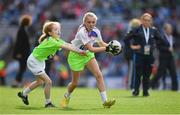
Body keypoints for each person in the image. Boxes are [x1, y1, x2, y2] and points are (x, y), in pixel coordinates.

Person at [17, 21, 86, 108]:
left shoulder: (56, 39)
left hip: (40, 61)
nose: (58, 31)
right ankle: (48, 103)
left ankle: (24, 94)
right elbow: (66, 47)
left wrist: (80, 49)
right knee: (48, 82)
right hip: (34, 61)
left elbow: (68, 44)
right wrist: (80, 52)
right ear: (50, 33)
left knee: (40, 82)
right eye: (56, 29)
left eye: (59, 29)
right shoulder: (52, 41)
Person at [61, 12, 119, 108]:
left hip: (87, 55)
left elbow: (101, 43)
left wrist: (113, 48)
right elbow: (91, 48)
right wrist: (107, 49)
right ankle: (66, 96)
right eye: (89, 22)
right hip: (76, 56)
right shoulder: (82, 32)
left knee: (99, 75)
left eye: (93, 22)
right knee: (75, 83)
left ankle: (105, 102)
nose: (91, 24)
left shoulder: (96, 31)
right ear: (84, 22)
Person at [125, 13, 162, 96]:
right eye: (145, 20)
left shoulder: (153, 30)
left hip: (149, 55)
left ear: (151, 21)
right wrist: (132, 47)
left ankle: (145, 91)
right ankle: (136, 90)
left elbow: (161, 40)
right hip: (139, 54)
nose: (146, 22)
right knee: (138, 74)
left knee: (147, 74)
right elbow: (126, 38)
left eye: (148, 20)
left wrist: (154, 45)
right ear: (141, 20)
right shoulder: (136, 29)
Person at [151, 23, 179, 91]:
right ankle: (152, 84)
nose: (170, 30)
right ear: (165, 30)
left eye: (171, 29)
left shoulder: (173, 38)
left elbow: (174, 46)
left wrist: (173, 49)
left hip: (171, 57)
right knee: (160, 72)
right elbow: (159, 47)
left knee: (173, 72)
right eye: (169, 29)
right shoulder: (161, 37)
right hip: (163, 57)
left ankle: (175, 88)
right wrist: (167, 49)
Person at [12, 14, 32, 87]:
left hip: (23, 53)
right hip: (22, 53)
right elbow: (19, 42)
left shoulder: (23, 29)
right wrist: (19, 53)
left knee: (22, 68)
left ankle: (17, 82)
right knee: (22, 68)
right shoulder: (22, 30)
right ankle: (16, 82)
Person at [124, 18, 141, 89]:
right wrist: (135, 47)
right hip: (130, 54)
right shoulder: (132, 32)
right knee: (131, 70)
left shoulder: (130, 31)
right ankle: (130, 85)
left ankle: (132, 85)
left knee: (132, 69)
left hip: (129, 53)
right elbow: (129, 43)